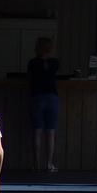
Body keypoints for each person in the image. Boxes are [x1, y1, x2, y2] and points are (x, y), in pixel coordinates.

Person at [27, 37, 59, 173]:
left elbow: (30, 79)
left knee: (37, 131)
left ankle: (36, 164)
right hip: (52, 97)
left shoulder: (33, 63)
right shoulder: (54, 63)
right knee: (50, 131)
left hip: (37, 96)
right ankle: (49, 163)